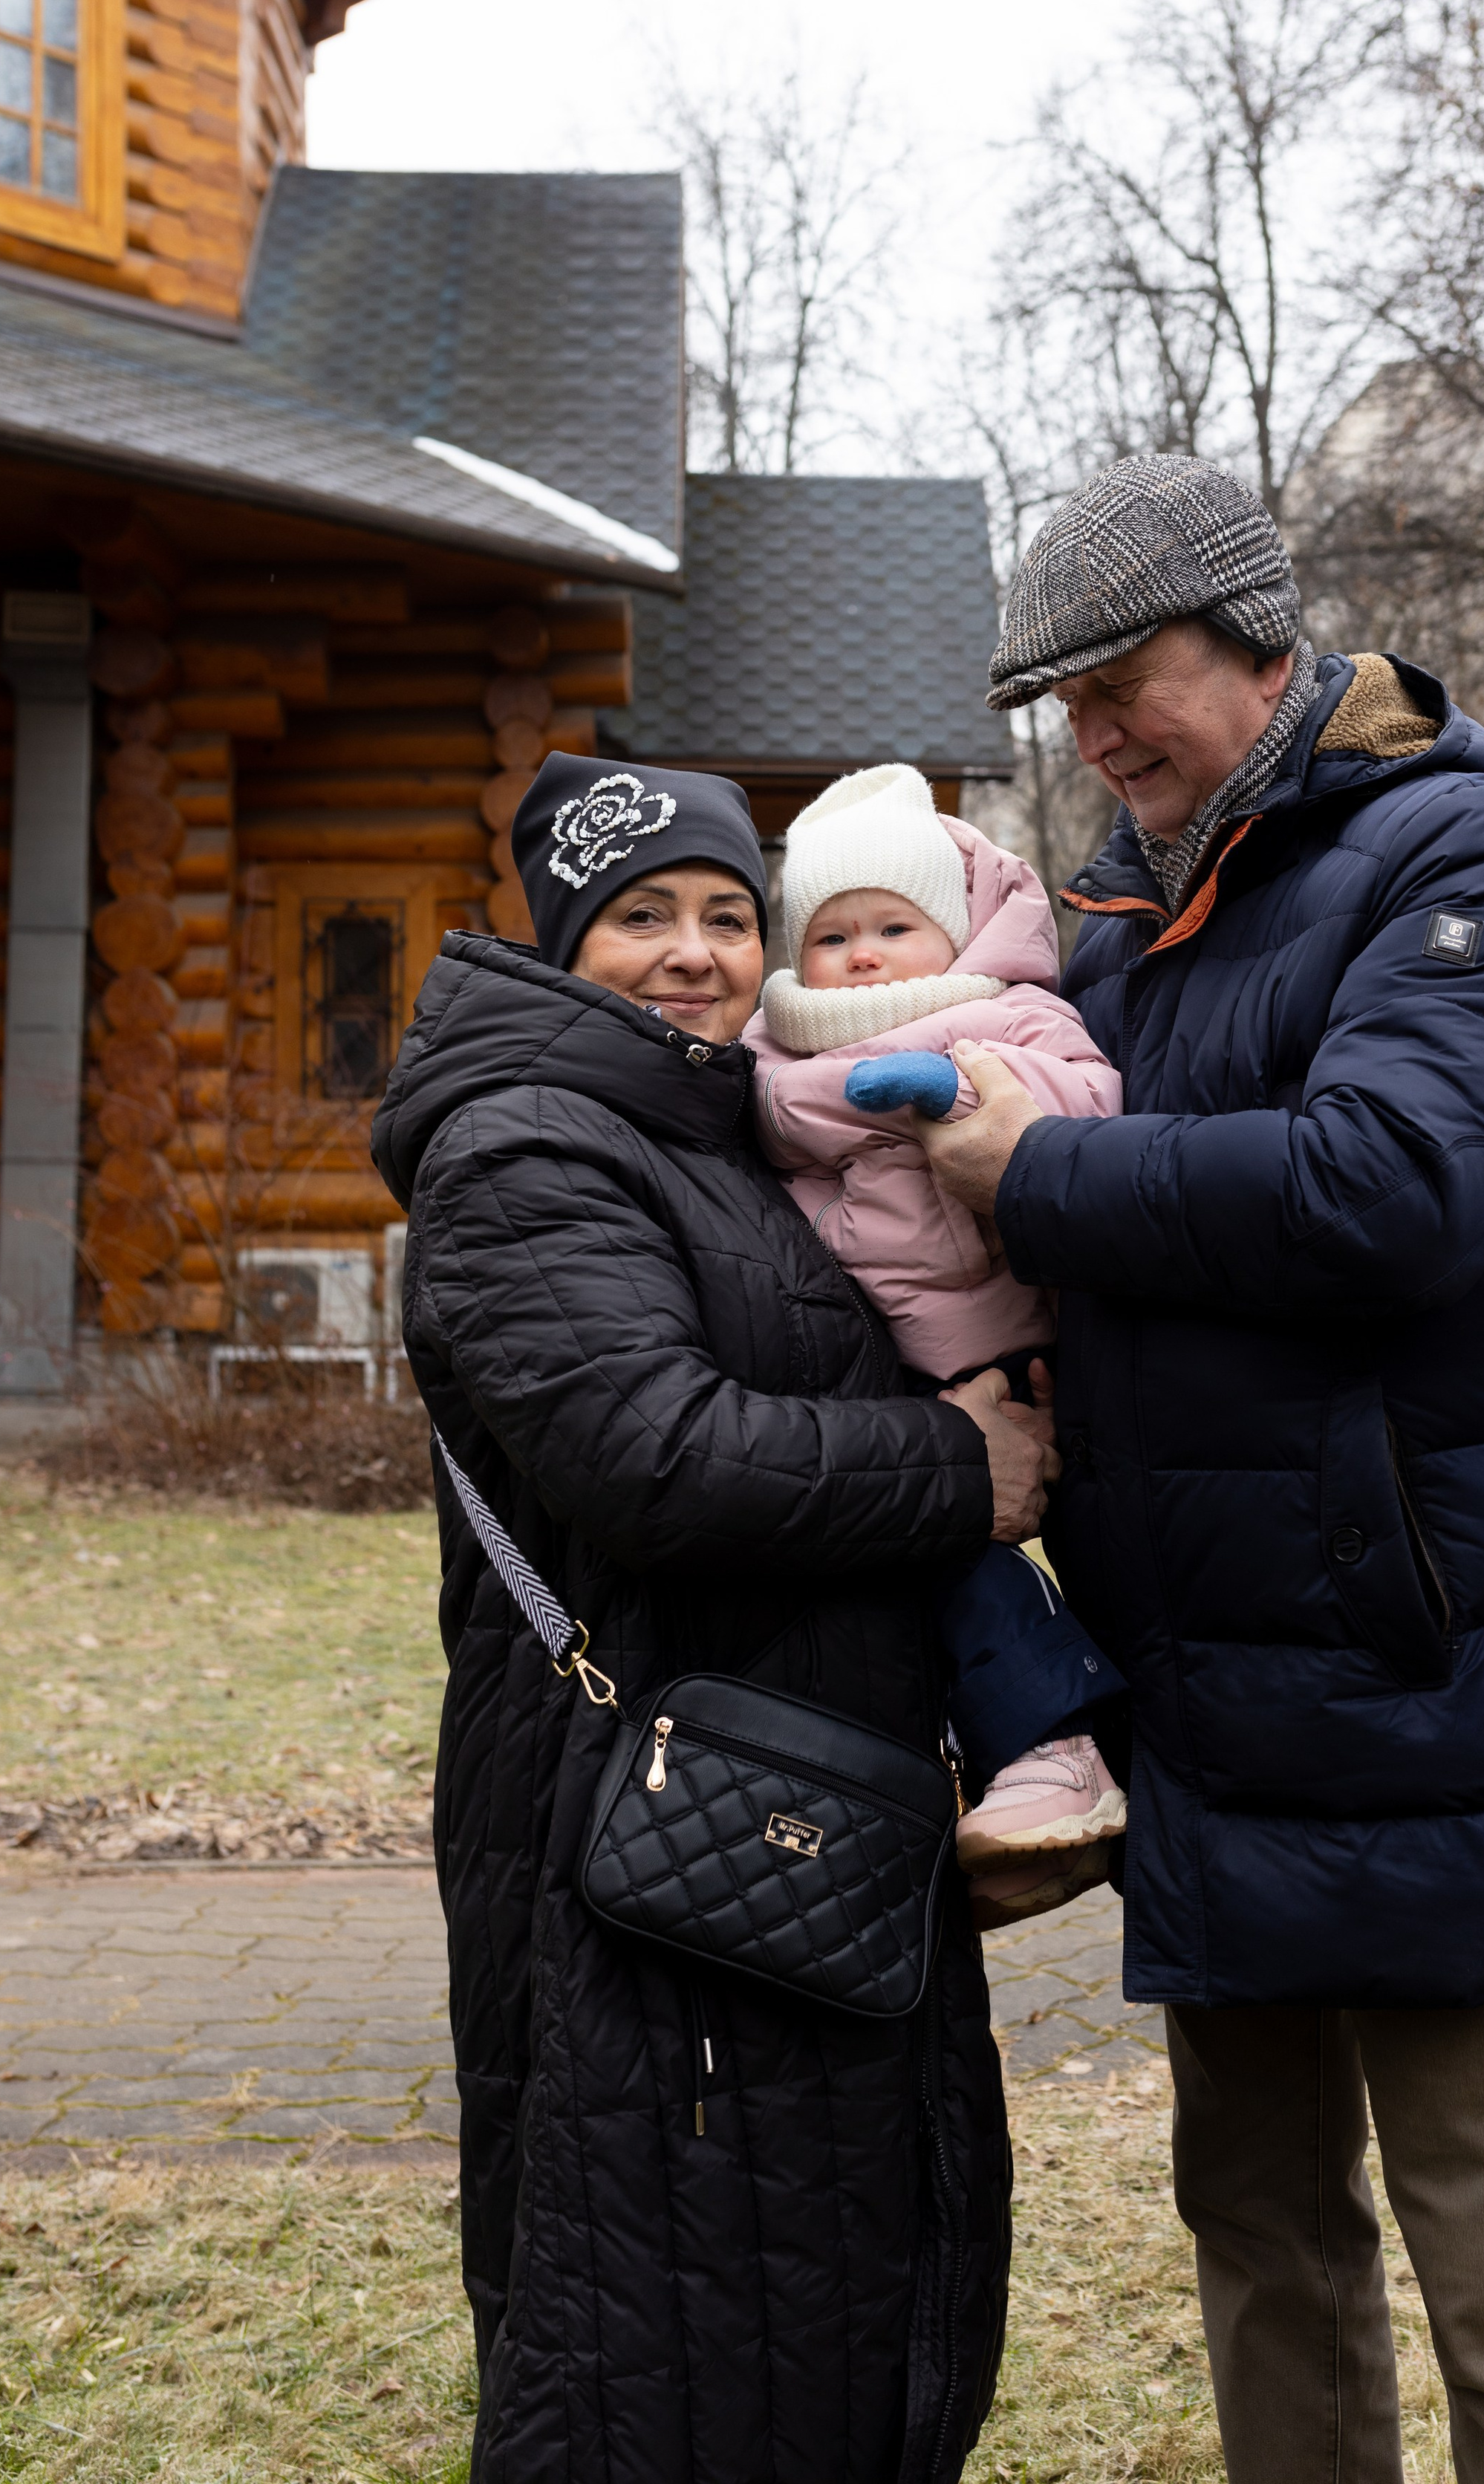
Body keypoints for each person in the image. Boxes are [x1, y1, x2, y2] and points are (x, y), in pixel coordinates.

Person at [912, 452, 1484, 2484]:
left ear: (1255, 642)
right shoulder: (1125, 919)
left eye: (1119, 683)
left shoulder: (1460, 856)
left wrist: (1038, 1176)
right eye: (1063, 706)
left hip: (1416, 1683)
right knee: (1262, 2239)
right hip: (1201, 1694)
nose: (1092, 736)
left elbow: (1390, 1191)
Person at [371, 754, 1045, 2484]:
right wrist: (953, 1467)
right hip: (639, 1823)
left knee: (792, 2306)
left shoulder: (716, 1131)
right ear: (564, 941)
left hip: (777, 1810)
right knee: (652, 2331)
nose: (693, 951)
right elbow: (649, 1454)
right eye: (641, 916)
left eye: (728, 915)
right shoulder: (524, 1146)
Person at [743, 759, 1129, 1926]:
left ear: (953, 934)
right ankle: (992, 1781)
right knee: (896, 1566)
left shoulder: (1002, 1014)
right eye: (833, 935)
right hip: (884, 1369)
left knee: (958, 1560)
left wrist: (960, 1092)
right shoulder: (774, 1060)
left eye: (893, 928)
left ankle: (1057, 1746)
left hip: (1005, 1352)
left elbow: (1092, 1103)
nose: (863, 957)